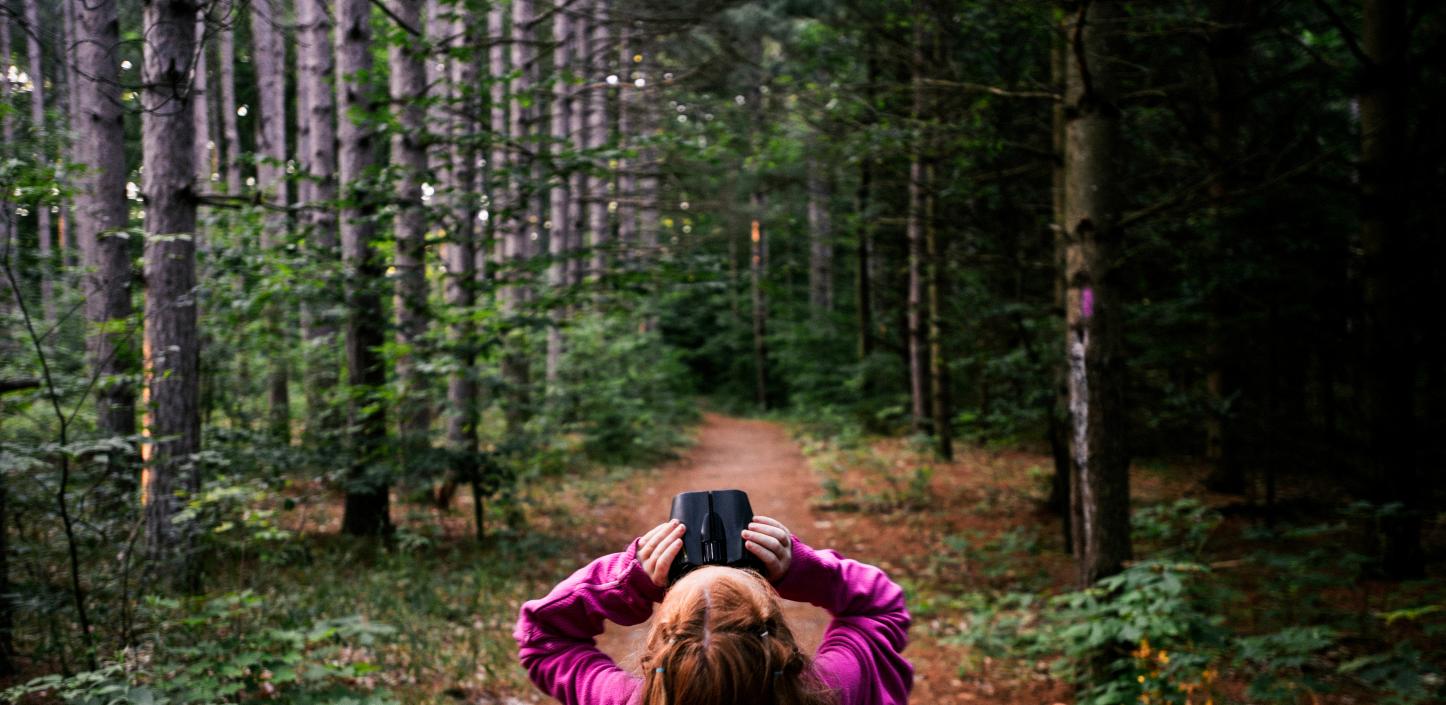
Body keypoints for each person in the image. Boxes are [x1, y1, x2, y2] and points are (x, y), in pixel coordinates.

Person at [514, 515, 913, 705]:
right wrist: (800, 568)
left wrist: (632, 578)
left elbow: (543, 635)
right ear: (776, 641)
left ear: (659, 649)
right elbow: (879, 608)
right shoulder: (834, 690)